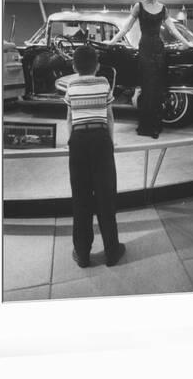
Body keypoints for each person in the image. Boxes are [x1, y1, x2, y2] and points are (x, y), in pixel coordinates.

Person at [106, 0, 193, 138]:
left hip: (159, 50)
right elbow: (125, 28)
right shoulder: (138, 6)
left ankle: (156, 125)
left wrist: (188, 43)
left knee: (158, 89)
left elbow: (173, 30)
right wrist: (111, 42)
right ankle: (146, 127)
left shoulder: (163, 8)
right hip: (145, 50)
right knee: (147, 88)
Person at [64, 45, 125, 268]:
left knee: (80, 198)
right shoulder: (103, 83)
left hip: (78, 141)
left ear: (74, 66)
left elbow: (69, 118)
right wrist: (110, 141)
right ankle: (111, 251)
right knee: (105, 196)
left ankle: (82, 253)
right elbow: (109, 116)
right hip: (100, 139)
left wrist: (72, 142)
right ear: (97, 66)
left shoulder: (70, 85)